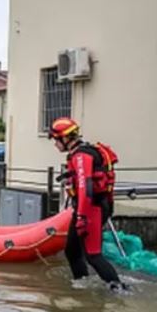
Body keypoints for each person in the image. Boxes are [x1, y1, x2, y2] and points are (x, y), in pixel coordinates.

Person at [48, 117, 126, 291]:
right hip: (91, 207)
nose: (55, 144)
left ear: (65, 138)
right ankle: (82, 284)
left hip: (90, 208)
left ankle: (119, 289)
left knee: (93, 255)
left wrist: (82, 216)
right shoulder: (86, 152)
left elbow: (85, 188)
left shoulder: (81, 156)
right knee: (72, 250)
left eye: (56, 139)